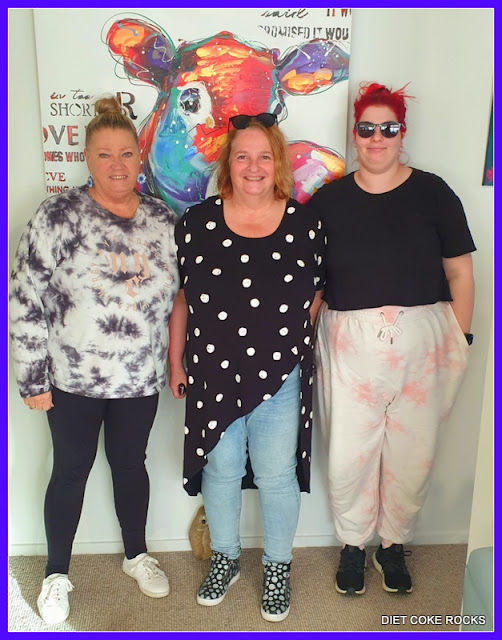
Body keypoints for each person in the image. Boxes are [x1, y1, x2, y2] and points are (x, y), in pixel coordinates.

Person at [9, 97, 179, 624]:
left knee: (131, 466)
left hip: (139, 379)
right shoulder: (59, 214)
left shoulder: (162, 220)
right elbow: (24, 294)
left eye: (126, 153)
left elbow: (181, 297)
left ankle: (136, 555)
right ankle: (56, 574)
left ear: (139, 156)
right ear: (87, 158)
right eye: (104, 154)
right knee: (70, 471)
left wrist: (177, 363)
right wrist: (31, 377)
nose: (117, 165)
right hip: (72, 380)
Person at [308, 82, 476, 596]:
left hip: (424, 348)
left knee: (412, 455)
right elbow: (314, 283)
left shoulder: (433, 192)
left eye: (388, 128)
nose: (377, 137)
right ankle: (353, 545)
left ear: (403, 133)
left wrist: (460, 340)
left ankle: (393, 544)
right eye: (367, 128)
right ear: (354, 134)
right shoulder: (328, 201)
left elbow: (460, 272)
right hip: (348, 347)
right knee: (348, 454)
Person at [168, 113, 325, 622]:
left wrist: (286, 344)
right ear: (228, 164)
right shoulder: (196, 223)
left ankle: (278, 567)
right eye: (242, 156)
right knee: (222, 470)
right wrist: (175, 361)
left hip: (279, 377)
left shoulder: (304, 224)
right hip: (212, 372)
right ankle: (226, 557)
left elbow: (317, 294)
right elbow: (183, 299)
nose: (253, 167)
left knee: (277, 475)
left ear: (277, 162)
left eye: (263, 156)